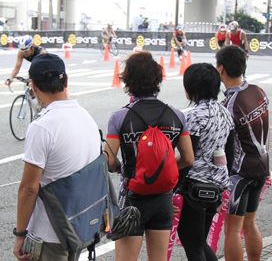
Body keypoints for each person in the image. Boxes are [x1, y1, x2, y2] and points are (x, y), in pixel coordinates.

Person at [104, 51, 194, 261]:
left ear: (128, 81)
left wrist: (121, 169)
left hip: (132, 199)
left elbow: (109, 161)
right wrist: (164, 167)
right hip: (163, 199)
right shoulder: (177, 115)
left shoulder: (120, 117)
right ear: (157, 79)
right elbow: (189, 158)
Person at [13, 53, 101, 261]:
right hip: (80, 225)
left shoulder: (42, 126)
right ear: (66, 81)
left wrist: (20, 234)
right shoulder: (85, 116)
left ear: (33, 86)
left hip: (49, 233)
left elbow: (29, 188)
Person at [216, 45, 270, 261]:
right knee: (250, 223)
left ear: (220, 68)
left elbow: (222, 145)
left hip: (240, 174)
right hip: (262, 166)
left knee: (232, 230)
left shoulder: (229, 103)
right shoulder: (258, 90)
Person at [177, 63, 235, 261]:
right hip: (217, 187)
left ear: (192, 88)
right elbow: (230, 154)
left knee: (192, 244)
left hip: (194, 188)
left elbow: (188, 157)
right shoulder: (225, 114)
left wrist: (175, 186)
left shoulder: (193, 116)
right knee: (199, 241)